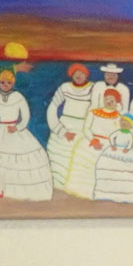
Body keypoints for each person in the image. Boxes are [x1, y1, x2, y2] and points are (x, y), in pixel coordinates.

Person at [0, 68, 52, 202]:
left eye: (9, 83)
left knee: (25, 159)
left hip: (16, 130)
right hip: (1, 131)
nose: (5, 85)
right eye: (3, 82)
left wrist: (18, 127)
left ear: (13, 84)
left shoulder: (18, 96)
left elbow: (25, 116)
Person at [85, 85, 133, 204]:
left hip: (111, 145)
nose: (109, 102)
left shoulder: (119, 117)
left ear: (117, 102)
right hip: (94, 142)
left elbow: (121, 132)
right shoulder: (93, 113)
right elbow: (86, 129)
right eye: (106, 99)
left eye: (112, 100)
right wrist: (93, 141)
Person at [44, 62, 92, 193]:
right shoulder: (65, 87)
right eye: (76, 73)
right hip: (66, 124)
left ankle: (76, 187)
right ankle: (58, 187)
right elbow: (52, 107)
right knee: (59, 155)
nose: (79, 75)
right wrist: (61, 130)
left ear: (86, 75)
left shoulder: (93, 88)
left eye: (82, 73)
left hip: (84, 126)